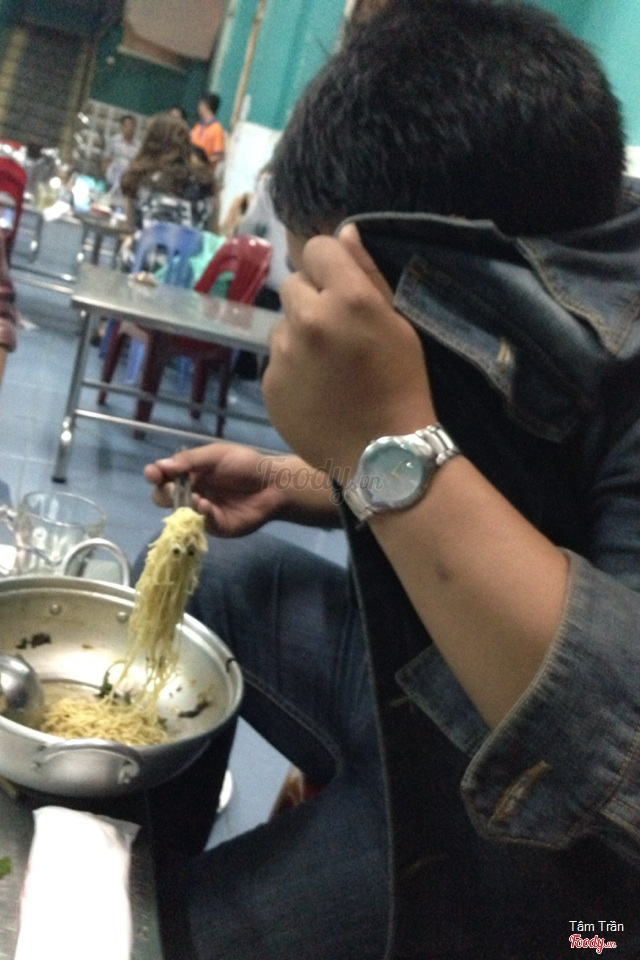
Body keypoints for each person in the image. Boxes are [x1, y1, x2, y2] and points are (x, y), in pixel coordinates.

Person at [142, 1, 640, 958]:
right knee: (213, 583)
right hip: (446, 691)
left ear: (440, 276)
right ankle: (129, 862)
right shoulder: (549, 264)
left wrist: (381, 438)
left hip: (581, 884)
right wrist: (296, 474)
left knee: (185, 939)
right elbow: (520, 494)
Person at [119, 113, 214, 259]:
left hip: (143, 263)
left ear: (150, 142)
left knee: (126, 246)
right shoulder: (205, 184)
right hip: (186, 267)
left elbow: (130, 228)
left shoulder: (138, 178)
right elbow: (211, 237)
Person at [102, 114, 139, 194]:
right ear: (121, 127)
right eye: (126, 126)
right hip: (112, 178)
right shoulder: (114, 141)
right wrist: (106, 172)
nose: (129, 128)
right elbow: (106, 159)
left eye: (131, 126)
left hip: (128, 181)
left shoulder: (138, 146)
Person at [190, 93, 225, 173]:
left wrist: (202, 162)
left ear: (206, 106)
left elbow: (219, 155)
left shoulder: (217, 128)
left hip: (204, 172)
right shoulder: (198, 126)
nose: (198, 107)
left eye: (200, 105)